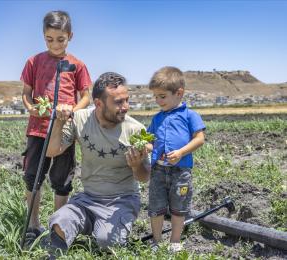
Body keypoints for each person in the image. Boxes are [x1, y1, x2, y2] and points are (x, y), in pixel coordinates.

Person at [46, 72, 150, 252]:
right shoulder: (80, 119)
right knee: (58, 223)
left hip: (121, 201)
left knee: (108, 243)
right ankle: (84, 229)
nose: (125, 107)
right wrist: (58, 122)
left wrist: (136, 165)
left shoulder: (136, 130)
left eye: (127, 100)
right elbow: (51, 151)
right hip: (88, 199)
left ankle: (103, 228)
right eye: (118, 102)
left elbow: (144, 177)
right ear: (99, 103)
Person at [20, 10, 92, 243]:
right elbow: (26, 94)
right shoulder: (34, 61)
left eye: (60, 39)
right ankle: (33, 225)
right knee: (33, 177)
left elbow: (85, 97)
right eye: (49, 39)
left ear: (70, 36)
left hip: (65, 131)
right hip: (37, 130)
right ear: (43, 36)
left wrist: (73, 109)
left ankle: (57, 226)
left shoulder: (77, 65)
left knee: (62, 179)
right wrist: (31, 107)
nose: (55, 44)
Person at [146, 66, 205, 252]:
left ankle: (175, 241)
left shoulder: (189, 115)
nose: (158, 100)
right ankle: (156, 241)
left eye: (162, 96)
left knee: (179, 207)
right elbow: (150, 141)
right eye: (155, 97)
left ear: (179, 93)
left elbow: (199, 139)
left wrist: (180, 153)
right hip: (158, 171)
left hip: (181, 172)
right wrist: (144, 146)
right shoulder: (157, 118)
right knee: (156, 206)